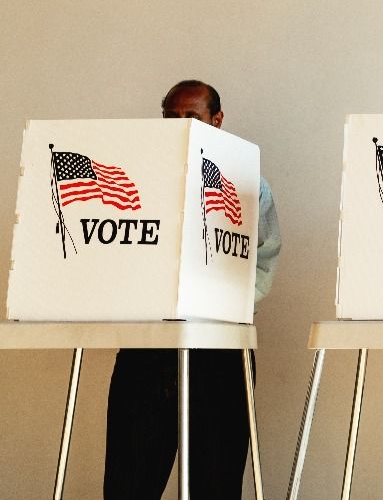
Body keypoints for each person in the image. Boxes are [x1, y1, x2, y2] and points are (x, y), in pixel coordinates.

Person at [103, 79, 282, 499]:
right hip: (146, 350)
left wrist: (214, 306)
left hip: (219, 351)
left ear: (216, 121)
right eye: (171, 116)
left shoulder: (247, 181)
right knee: (129, 484)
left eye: (191, 116)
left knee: (215, 485)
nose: (179, 124)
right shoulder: (136, 180)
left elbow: (263, 261)